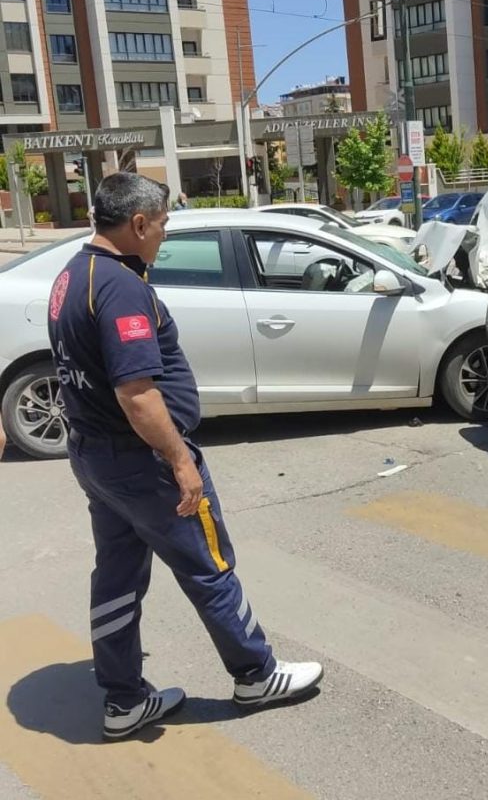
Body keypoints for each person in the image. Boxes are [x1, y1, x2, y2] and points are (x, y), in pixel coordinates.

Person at [47, 173, 322, 740]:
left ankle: (123, 700)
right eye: (163, 223)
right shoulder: (120, 287)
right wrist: (179, 459)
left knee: (117, 576)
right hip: (140, 462)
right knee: (210, 565)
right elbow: (137, 393)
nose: (165, 235)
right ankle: (256, 673)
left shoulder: (73, 274)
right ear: (138, 223)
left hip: (96, 459)